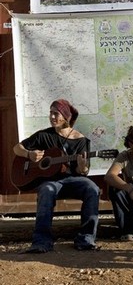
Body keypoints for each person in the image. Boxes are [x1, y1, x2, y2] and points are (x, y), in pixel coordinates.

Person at [13, 99, 100, 253]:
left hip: (73, 180)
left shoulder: (81, 141)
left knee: (92, 188)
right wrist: (29, 154)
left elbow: (83, 171)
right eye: (50, 113)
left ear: (65, 117)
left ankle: (86, 239)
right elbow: (16, 148)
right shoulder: (43, 135)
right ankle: (41, 242)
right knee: (47, 189)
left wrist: (82, 166)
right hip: (51, 182)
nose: (52, 117)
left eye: (56, 114)